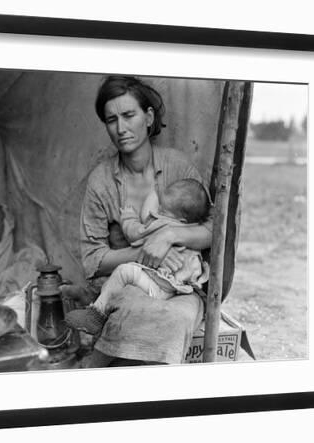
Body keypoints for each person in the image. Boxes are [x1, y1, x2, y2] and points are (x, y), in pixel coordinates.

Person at [75, 75, 214, 365]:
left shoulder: (177, 167)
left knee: (174, 319)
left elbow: (214, 231)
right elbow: (92, 260)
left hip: (181, 287)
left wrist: (169, 237)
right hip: (130, 285)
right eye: (111, 120)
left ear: (148, 117)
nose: (121, 128)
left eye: (129, 115)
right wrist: (144, 251)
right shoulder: (102, 180)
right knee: (131, 312)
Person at [66, 178, 210, 335]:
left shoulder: (162, 225)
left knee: (123, 272)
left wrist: (128, 217)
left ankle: (96, 315)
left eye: (162, 211)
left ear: (180, 219)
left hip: (160, 288)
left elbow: (135, 233)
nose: (157, 212)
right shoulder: (193, 229)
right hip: (179, 288)